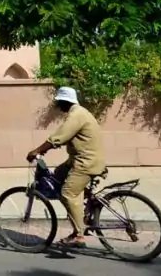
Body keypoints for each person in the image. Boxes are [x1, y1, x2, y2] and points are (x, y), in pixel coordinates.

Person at [26, 86, 106, 249]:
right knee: (58, 174)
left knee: (67, 194)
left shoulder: (76, 115)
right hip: (80, 159)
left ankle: (78, 236)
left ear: (65, 101)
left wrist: (37, 151)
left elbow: (59, 137)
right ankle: (87, 205)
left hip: (85, 162)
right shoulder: (80, 112)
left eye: (59, 102)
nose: (57, 106)